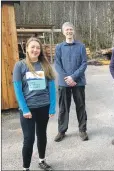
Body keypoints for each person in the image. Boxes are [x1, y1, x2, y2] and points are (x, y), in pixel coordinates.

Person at [13, 37, 56, 171]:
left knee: (42, 135)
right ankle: (26, 167)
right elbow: (18, 90)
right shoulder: (20, 66)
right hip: (28, 110)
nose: (35, 50)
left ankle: (42, 160)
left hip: (44, 106)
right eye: (32, 47)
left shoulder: (45, 65)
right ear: (27, 48)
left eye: (38, 48)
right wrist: (24, 109)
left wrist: (52, 108)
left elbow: (52, 89)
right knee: (29, 139)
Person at [54, 22, 88, 142]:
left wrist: (73, 77)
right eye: (67, 30)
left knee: (81, 106)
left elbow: (84, 63)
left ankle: (82, 130)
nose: (69, 31)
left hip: (78, 82)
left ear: (73, 31)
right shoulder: (59, 47)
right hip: (64, 83)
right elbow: (57, 65)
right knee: (64, 107)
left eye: (71, 29)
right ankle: (62, 131)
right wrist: (67, 79)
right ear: (63, 32)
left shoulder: (81, 46)